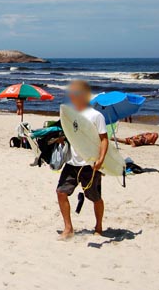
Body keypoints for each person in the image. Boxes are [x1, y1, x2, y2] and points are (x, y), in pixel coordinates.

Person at [57, 80, 108, 240]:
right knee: (61, 192)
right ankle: (68, 228)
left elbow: (104, 139)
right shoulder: (71, 115)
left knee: (94, 197)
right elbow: (73, 136)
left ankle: (99, 226)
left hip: (90, 164)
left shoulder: (96, 116)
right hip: (72, 163)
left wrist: (101, 159)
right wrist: (62, 140)